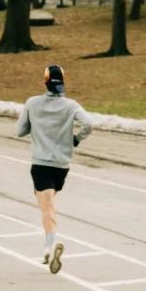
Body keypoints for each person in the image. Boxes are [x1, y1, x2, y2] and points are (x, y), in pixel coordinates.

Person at [15, 63, 93, 275]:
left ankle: (50, 246)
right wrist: (75, 139)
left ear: (45, 82)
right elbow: (89, 124)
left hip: (41, 163)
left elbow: (19, 131)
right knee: (50, 203)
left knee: (46, 207)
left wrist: (37, 126)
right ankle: (48, 246)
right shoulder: (71, 105)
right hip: (62, 166)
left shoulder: (33, 103)